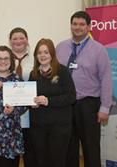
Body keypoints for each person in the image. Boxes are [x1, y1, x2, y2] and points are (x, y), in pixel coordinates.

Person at [56, 11, 113, 167]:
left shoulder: (99, 50)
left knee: (90, 148)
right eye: (74, 24)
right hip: (66, 105)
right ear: (71, 26)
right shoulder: (60, 47)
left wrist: (105, 107)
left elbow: (106, 79)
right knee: (68, 147)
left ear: (89, 27)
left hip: (88, 105)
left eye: (82, 24)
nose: (77, 27)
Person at [29, 38, 76, 167]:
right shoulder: (33, 74)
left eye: (46, 52)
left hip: (59, 127)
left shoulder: (62, 71)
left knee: (57, 161)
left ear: (52, 54)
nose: (42, 55)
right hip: (38, 127)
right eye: (39, 52)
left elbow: (71, 96)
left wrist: (48, 101)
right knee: (41, 161)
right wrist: (31, 102)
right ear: (36, 55)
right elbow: (30, 96)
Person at [9, 27, 35, 167]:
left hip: (31, 110)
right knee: (12, 150)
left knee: (30, 149)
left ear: (27, 40)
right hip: (10, 111)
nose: (18, 41)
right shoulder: (4, 58)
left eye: (21, 38)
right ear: (10, 41)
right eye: (14, 38)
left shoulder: (36, 57)